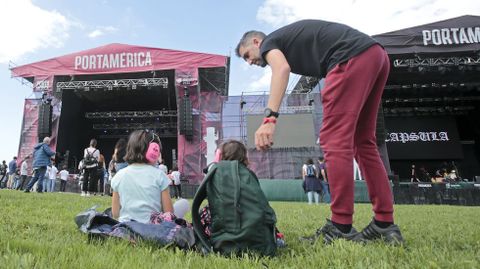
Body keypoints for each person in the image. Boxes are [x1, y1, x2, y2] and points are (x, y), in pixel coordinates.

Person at [236, 20, 403, 244]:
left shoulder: (269, 43)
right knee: (364, 143)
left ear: (256, 42)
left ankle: (340, 226)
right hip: (376, 55)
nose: (250, 61)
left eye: (247, 54)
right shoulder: (283, 41)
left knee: (333, 141)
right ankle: (384, 223)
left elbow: (281, 69)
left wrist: (269, 119)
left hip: (349, 58)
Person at [111, 130, 187, 223]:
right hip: (154, 227)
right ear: (154, 151)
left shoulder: (119, 175)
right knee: (184, 203)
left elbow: (115, 214)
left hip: (127, 226)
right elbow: (168, 212)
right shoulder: (159, 175)